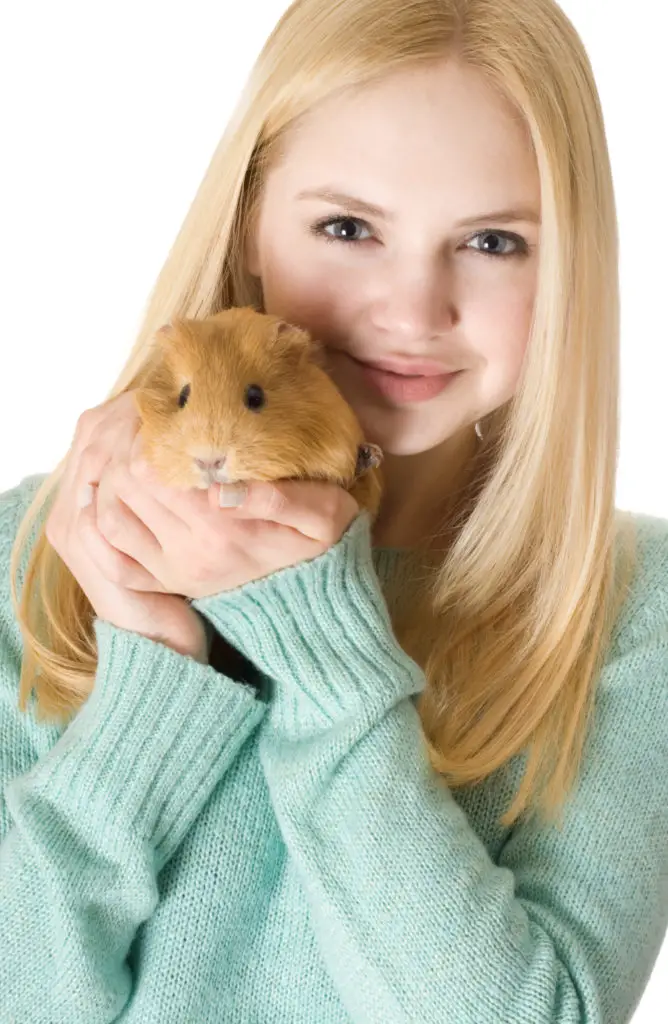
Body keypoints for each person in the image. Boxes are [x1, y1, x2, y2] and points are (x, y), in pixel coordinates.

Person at [1, 0, 666, 1020]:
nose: (410, 309)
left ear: (571, 262)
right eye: (347, 227)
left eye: (491, 241)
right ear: (250, 220)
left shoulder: (635, 610)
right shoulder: (35, 554)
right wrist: (150, 677)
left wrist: (319, 643)